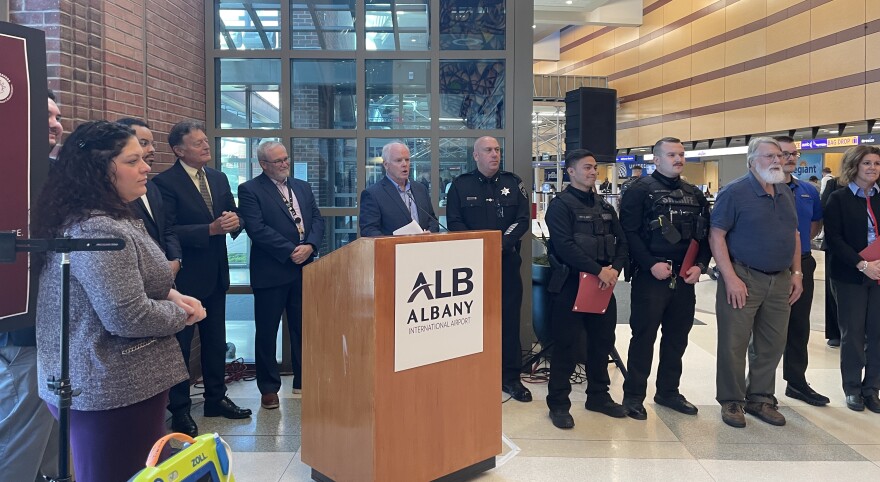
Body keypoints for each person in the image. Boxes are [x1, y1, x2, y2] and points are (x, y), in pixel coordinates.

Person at [32, 121, 206, 482]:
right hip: (110, 387)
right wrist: (180, 314)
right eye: (132, 161)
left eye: (143, 158)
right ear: (99, 170)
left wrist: (171, 293)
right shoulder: (97, 227)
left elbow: (128, 282)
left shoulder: (110, 216)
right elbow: (128, 315)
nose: (145, 168)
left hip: (120, 384)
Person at [153, 120, 251, 437]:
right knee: (181, 347)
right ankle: (180, 409)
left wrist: (236, 221)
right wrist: (208, 230)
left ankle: (215, 399)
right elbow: (166, 231)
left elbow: (233, 214)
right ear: (179, 150)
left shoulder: (218, 178)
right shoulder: (164, 183)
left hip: (217, 274)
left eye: (206, 140)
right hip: (185, 279)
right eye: (197, 143)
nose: (206, 146)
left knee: (215, 342)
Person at [709, 137, 803, 428]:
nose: (776, 161)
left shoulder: (784, 191)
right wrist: (730, 278)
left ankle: (760, 398)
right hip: (744, 276)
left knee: (772, 344)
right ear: (751, 161)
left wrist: (797, 274)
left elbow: (794, 234)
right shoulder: (734, 192)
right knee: (734, 343)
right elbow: (716, 236)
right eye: (769, 156)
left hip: (780, 279)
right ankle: (732, 400)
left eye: (779, 155)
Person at [618, 137, 711, 420]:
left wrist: (701, 265)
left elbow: (705, 234)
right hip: (651, 277)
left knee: (677, 337)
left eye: (681, 154)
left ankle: (668, 391)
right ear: (656, 160)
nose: (678, 159)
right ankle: (633, 395)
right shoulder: (639, 191)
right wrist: (650, 264)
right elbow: (628, 233)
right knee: (643, 337)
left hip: (684, 277)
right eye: (671, 155)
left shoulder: (694, 194)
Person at [0, 90, 62, 482]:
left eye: (58, 117)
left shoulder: (58, 176)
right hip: (22, 333)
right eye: (46, 117)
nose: (55, 125)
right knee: (19, 438)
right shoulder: (8, 175)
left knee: (54, 439)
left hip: (59, 327)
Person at [543, 149, 629, 428]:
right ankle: (558, 404)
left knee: (602, 342)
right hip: (571, 285)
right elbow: (565, 246)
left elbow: (622, 241)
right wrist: (598, 270)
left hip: (603, 285)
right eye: (587, 167)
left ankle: (598, 397)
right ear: (571, 171)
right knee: (566, 345)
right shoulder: (560, 206)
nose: (593, 172)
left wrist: (614, 269)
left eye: (595, 167)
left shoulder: (604, 206)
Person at [238, 141, 324, 409]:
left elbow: (317, 219)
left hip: (304, 269)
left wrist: (310, 246)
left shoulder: (302, 187)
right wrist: (290, 251)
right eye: (278, 161)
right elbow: (256, 228)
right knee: (267, 332)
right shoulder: (250, 190)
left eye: (286, 158)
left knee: (303, 328)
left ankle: (304, 380)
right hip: (271, 271)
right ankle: (268, 389)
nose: (285, 164)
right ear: (264, 164)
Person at [446, 136, 532, 402]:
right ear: (476, 156)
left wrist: (500, 244)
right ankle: (474, 374)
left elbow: (522, 220)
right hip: (471, 268)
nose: (494, 154)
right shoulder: (460, 185)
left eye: (497, 150)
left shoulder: (513, 182)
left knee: (509, 320)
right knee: (471, 321)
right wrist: (481, 247)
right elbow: (454, 222)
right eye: (488, 150)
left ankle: (511, 377)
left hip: (506, 263)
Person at [773, 136, 829, 406]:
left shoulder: (808, 190)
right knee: (764, 328)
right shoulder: (761, 189)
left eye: (793, 154)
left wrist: (800, 248)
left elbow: (816, 223)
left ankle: (796, 382)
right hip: (769, 266)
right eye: (784, 153)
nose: (790, 158)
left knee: (799, 326)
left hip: (802, 263)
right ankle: (757, 387)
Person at [824, 145, 880, 413]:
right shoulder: (839, 198)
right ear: (854, 165)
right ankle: (853, 389)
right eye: (867, 163)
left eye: (876, 163)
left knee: (877, 333)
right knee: (853, 334)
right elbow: (834, 239)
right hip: (850, 274)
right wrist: (862, 264)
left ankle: (872, 389)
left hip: (879, 273)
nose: (872, 168)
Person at [117, 118, 182, 277]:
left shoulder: (152, 187)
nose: (151, 149)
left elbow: (166, 228)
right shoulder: (112, 196)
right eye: (144, 143)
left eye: (152, 144)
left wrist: (175, 259)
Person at [359, 141, 438, 236]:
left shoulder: (420, 189)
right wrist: (393, 241)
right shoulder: (373, 194)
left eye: (407, 160)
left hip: (423, 245)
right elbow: (369, 230)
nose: (404, 164)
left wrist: (430, 232)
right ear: (386, 165)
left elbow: (433, 221)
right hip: (393, 245)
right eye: (399, 160)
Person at [821, 174, 843, 347]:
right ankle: (835, 331)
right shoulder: (834, 184)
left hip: (870, 248)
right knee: (834, 290)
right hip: (837, 246)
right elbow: (824, 214)